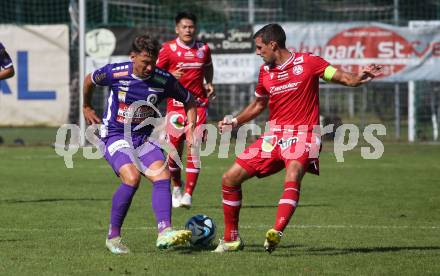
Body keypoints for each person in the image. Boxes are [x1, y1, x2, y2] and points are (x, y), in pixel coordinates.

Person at [214, 24, 383, 253]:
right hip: (274, 135)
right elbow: (258, 104)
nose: (257, 52)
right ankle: (231, 238)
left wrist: (357, 78)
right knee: (229, 178)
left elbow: (342, 77)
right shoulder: (266, 72)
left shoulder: (309, 62)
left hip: (304, 134)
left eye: (259, 47)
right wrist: (235, 122)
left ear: (273, 45)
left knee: (293, 173)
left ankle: (276, 231)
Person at [83, 35, 197, 254]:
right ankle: (113, 237)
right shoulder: (115, 72)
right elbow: (89, 80)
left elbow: (189, 100)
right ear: (132, 57)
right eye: (145, 62)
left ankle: (164, 232)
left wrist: (191, 127)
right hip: (114, 135)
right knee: (132, 178)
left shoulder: (163, 79)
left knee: (163, 176)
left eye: (153, 62)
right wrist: (86, 106)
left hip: (142, 139)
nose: (149, 67)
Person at [156, 12, 214, 209]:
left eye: (191, 27)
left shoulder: (203, 49)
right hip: (175, 106)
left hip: (198, 106)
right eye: (184, 27)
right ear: (177, 29)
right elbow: (155, 75)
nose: (188, 30)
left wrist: (209, 82)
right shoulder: (168, 49)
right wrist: (170, 75)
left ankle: (189, 194)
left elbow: (208, 66)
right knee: (174, 151)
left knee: (194, 148)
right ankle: (177, 187)